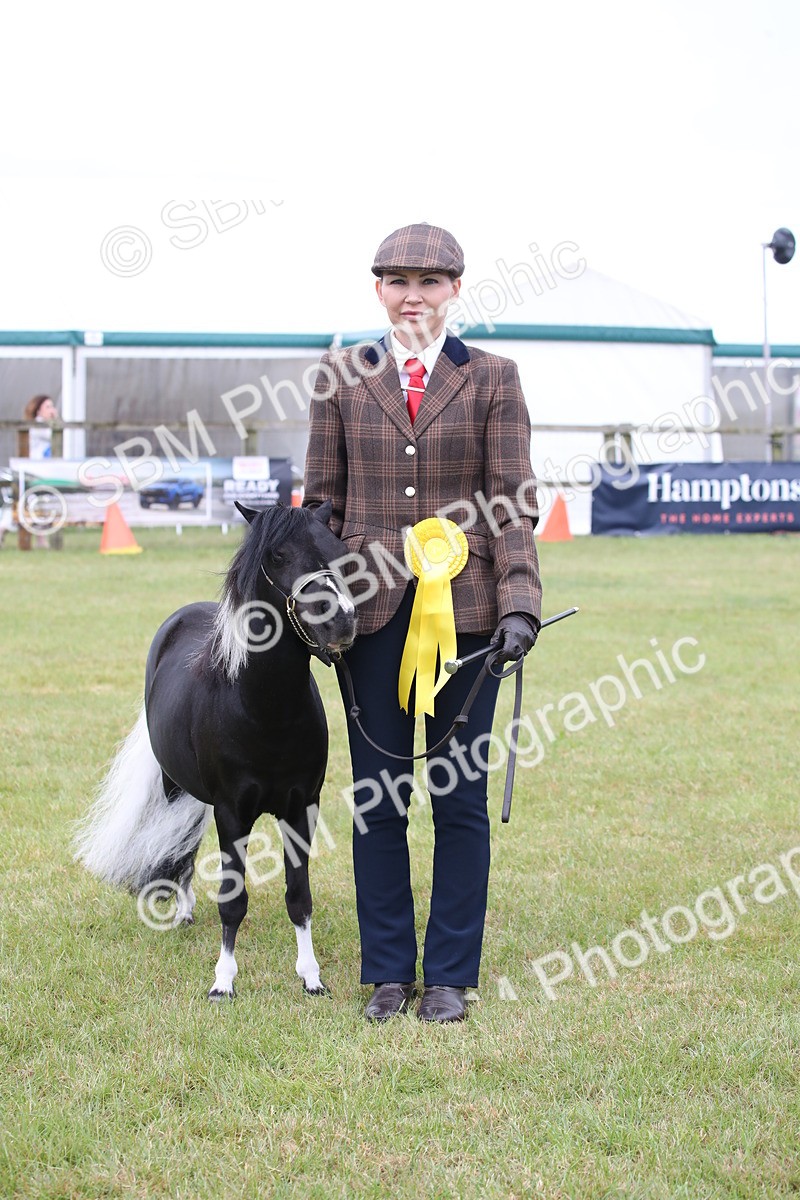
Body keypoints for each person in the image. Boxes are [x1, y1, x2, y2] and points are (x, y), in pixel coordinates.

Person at [302, 223, 542, 1023]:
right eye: (398, 281)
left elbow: (513, 501)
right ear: (378, 289)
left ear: (455, 291)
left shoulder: (495, 380)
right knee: (379, 797)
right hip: (368, 623)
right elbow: (321, 510)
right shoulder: (339, 377)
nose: (413, 296)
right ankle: (388, 973)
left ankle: (448, 974)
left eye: (430, 283)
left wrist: (519, 605)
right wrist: (323, 605)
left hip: (467, 616)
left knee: (461, 799)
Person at [24, 394, 58, 459]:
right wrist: (56, 419)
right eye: (48, 407)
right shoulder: (37, 424)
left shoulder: (47, 424)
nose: (52, 410)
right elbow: (53, 435)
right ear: (38, 411)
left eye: (52, 406)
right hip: (38, 461)